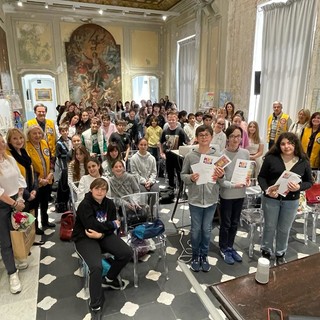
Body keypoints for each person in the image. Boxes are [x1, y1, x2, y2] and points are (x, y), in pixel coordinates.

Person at [72, 178, 132, 319]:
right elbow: (91, 225)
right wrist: (111, 225)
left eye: (103, 189)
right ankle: (96, 304)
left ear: (106, 191)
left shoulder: (109, 203)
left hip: (101, 235)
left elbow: (107, 226)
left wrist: (102, 233)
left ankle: (110, 278)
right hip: (85, 237)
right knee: (96, 266)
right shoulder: (84, 205)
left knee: (126, 252)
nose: (100, 191)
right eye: (97, 188)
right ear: (91, 189)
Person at [258, 132, 312, 265]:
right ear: (279, 145)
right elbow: (261, 177)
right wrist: (267, 190)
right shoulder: (271, 158)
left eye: (290, 143)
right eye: (283, 144)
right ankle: (266, 250)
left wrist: (298, 187)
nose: (286, 146)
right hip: (271, 199)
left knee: (284, 228)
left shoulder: (303, 161)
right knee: (269, 226)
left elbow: (309, 182)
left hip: (291, 201)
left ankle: (280, 253)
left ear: (295, 144)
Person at [181, 125, 224, 272]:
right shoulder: (190, 156)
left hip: (211, 199)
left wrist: (221, 176)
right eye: (201, 135)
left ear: (211, 137)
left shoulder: (217, 156)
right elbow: (182, 175)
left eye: (206, 135)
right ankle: (195, 255)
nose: (204, 138)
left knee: (206, 230)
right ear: (197, 137)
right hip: (195, 199)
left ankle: (203, 255)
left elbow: (222, 180)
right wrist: (191, 178)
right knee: (195, 230)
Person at [218, 125, 250, 264]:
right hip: (227, 194)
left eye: (238, 136)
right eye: (232, 136)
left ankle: (230, 246)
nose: (235, 139)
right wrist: (233, 185)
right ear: (228, 138)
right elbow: (220, 181)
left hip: (240, 193)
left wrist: (247, 180)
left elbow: (247, 173)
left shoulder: (245, 153)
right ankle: (223, 248)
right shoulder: (222, 156)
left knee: (235, 223)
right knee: (226, 223)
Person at [0, 133, 26, 294]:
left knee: (17, 232)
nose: (1, 145)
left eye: (2, 142)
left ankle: (19, 257)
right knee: (5, 241)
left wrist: (21, 198)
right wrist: (15, 203)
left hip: (16, 200)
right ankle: (12, 273)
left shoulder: (9, 159)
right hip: (3, 205)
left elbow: (20, 179)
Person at [6, 129, 39, 234]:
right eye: (15, 138)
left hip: (30, 190)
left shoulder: (24, 152)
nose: (19, 141)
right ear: (9, 141)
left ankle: (32, 235)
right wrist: (27, 194)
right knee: (22, 223)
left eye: (20, 138)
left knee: (31, 216)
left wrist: (34, 189)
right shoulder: (9, 156)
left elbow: (32, 170)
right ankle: (24, 246)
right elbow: (15, 179)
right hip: (20, 195)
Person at [26, 125, 55, 233]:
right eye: (34, 133)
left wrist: (51, 172)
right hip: (35, 183)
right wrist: (38, 179)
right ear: (29, 135)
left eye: (39, 133)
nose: (37, 135)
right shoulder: (26, 146)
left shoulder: (44, 142)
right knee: (34, 205)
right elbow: (28, 167)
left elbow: (51, 158)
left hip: (48, 180)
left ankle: (45, 221)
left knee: (45, 202)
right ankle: (35, 226)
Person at [159, 111, 189, 189]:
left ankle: (181, 191)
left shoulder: (180, 130)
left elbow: (187, 142)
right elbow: (160, 142)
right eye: (170, 119)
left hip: (178, 157)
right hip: (168, 156)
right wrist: (161, 152)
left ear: (177, 120)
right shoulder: (165, 131)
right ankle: (171, 190)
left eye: (173, 119)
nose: (171, 121)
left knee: (179, 174)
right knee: (170, 174)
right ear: (167, 120)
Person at [55, 124, 72, 212]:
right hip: (64, 166)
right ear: (60, 132)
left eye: (66, 130)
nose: (65, 132)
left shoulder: (71, 140)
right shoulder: (58, 143)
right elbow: (58, 156)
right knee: (64, 184)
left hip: (72, 164)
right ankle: (63, 203)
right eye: (63, 131)